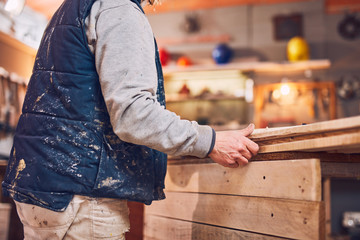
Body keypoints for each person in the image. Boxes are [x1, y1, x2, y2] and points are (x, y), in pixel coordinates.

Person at [2, 0, 259, 239]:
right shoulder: (119, 8)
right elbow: (133, 115)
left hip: (45, 187)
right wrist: (210, 141)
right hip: (80, 195)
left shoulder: (72, 8)